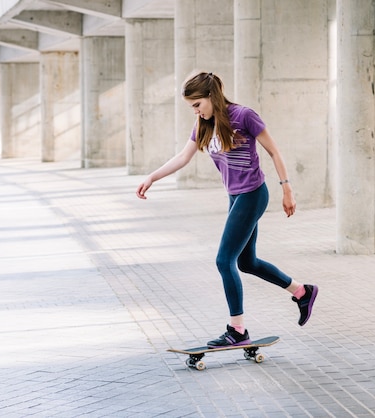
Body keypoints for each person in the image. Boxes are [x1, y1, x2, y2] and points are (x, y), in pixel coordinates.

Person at [136, 71, 318, 347]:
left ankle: (238, 330)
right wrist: (152, 177)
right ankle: (302, 292)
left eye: (197, 104)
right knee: (247, 263)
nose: (195, 111)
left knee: (224, 261)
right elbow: (183, 157)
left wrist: (287, 188)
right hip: (235, 197)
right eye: (191, 107)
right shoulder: (203, 124)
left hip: (253, 195)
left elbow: (275, 152)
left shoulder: (244, 116)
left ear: (211, 97)